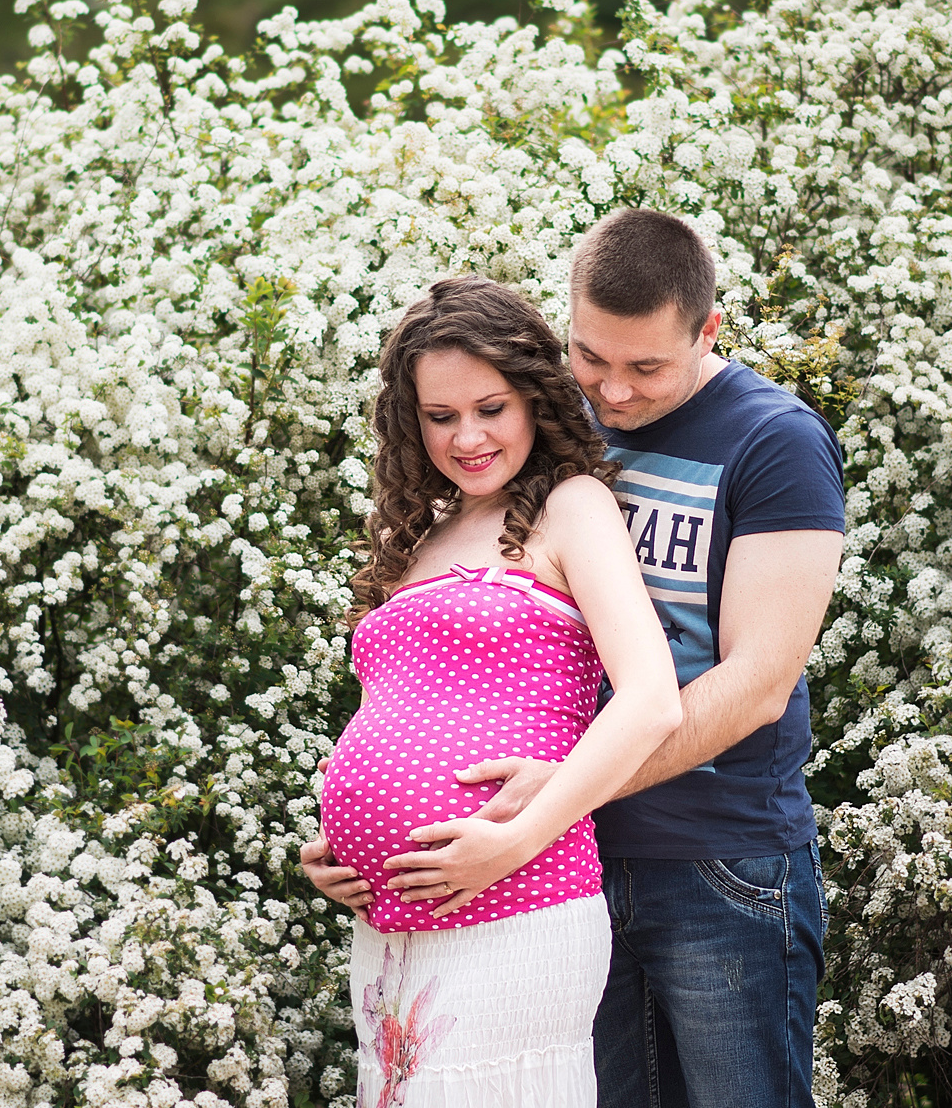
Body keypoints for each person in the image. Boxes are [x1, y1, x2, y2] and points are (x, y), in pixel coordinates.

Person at [304, 209, 847, 1108]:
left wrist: (553, 796)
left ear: (708, 330)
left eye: (646, 367)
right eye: (592, 359)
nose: (616, 392)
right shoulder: (542, 434)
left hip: (716, 853)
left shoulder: (773, 443)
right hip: (571, 862)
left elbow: (755, 686)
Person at [314, 275, 683, 1107]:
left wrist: (511, 843)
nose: (467, 436)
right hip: (390, 922)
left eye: (491, 408)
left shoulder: (571, 505)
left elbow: (652, 698)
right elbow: (403, 707)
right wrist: (343, 843)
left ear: (535, 400)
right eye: (441, 417)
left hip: (519, 898)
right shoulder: (423, 535)